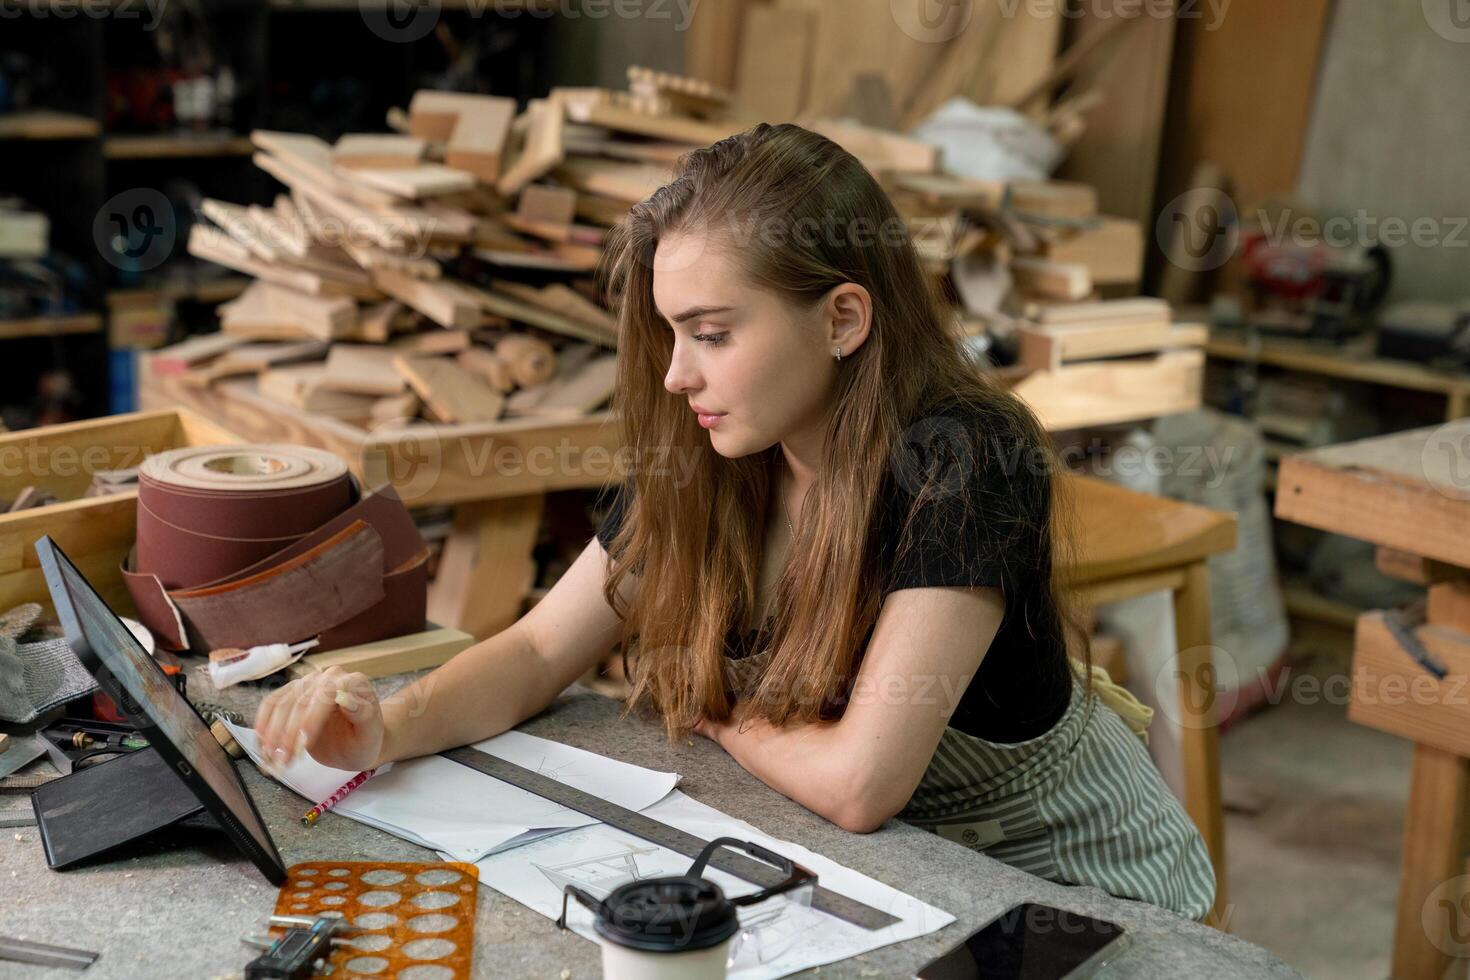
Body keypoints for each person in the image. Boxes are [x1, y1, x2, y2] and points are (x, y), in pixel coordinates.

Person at [253, 123, 1215, 919]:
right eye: (673, 334)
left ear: (843, 320)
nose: (677, 374)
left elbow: (858, 784)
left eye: (712, 334)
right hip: (907, 877)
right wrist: (387, 725)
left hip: (1076, 888)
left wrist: (708, 708)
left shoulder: (959, 459)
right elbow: (542, 651)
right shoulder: (716, 453)